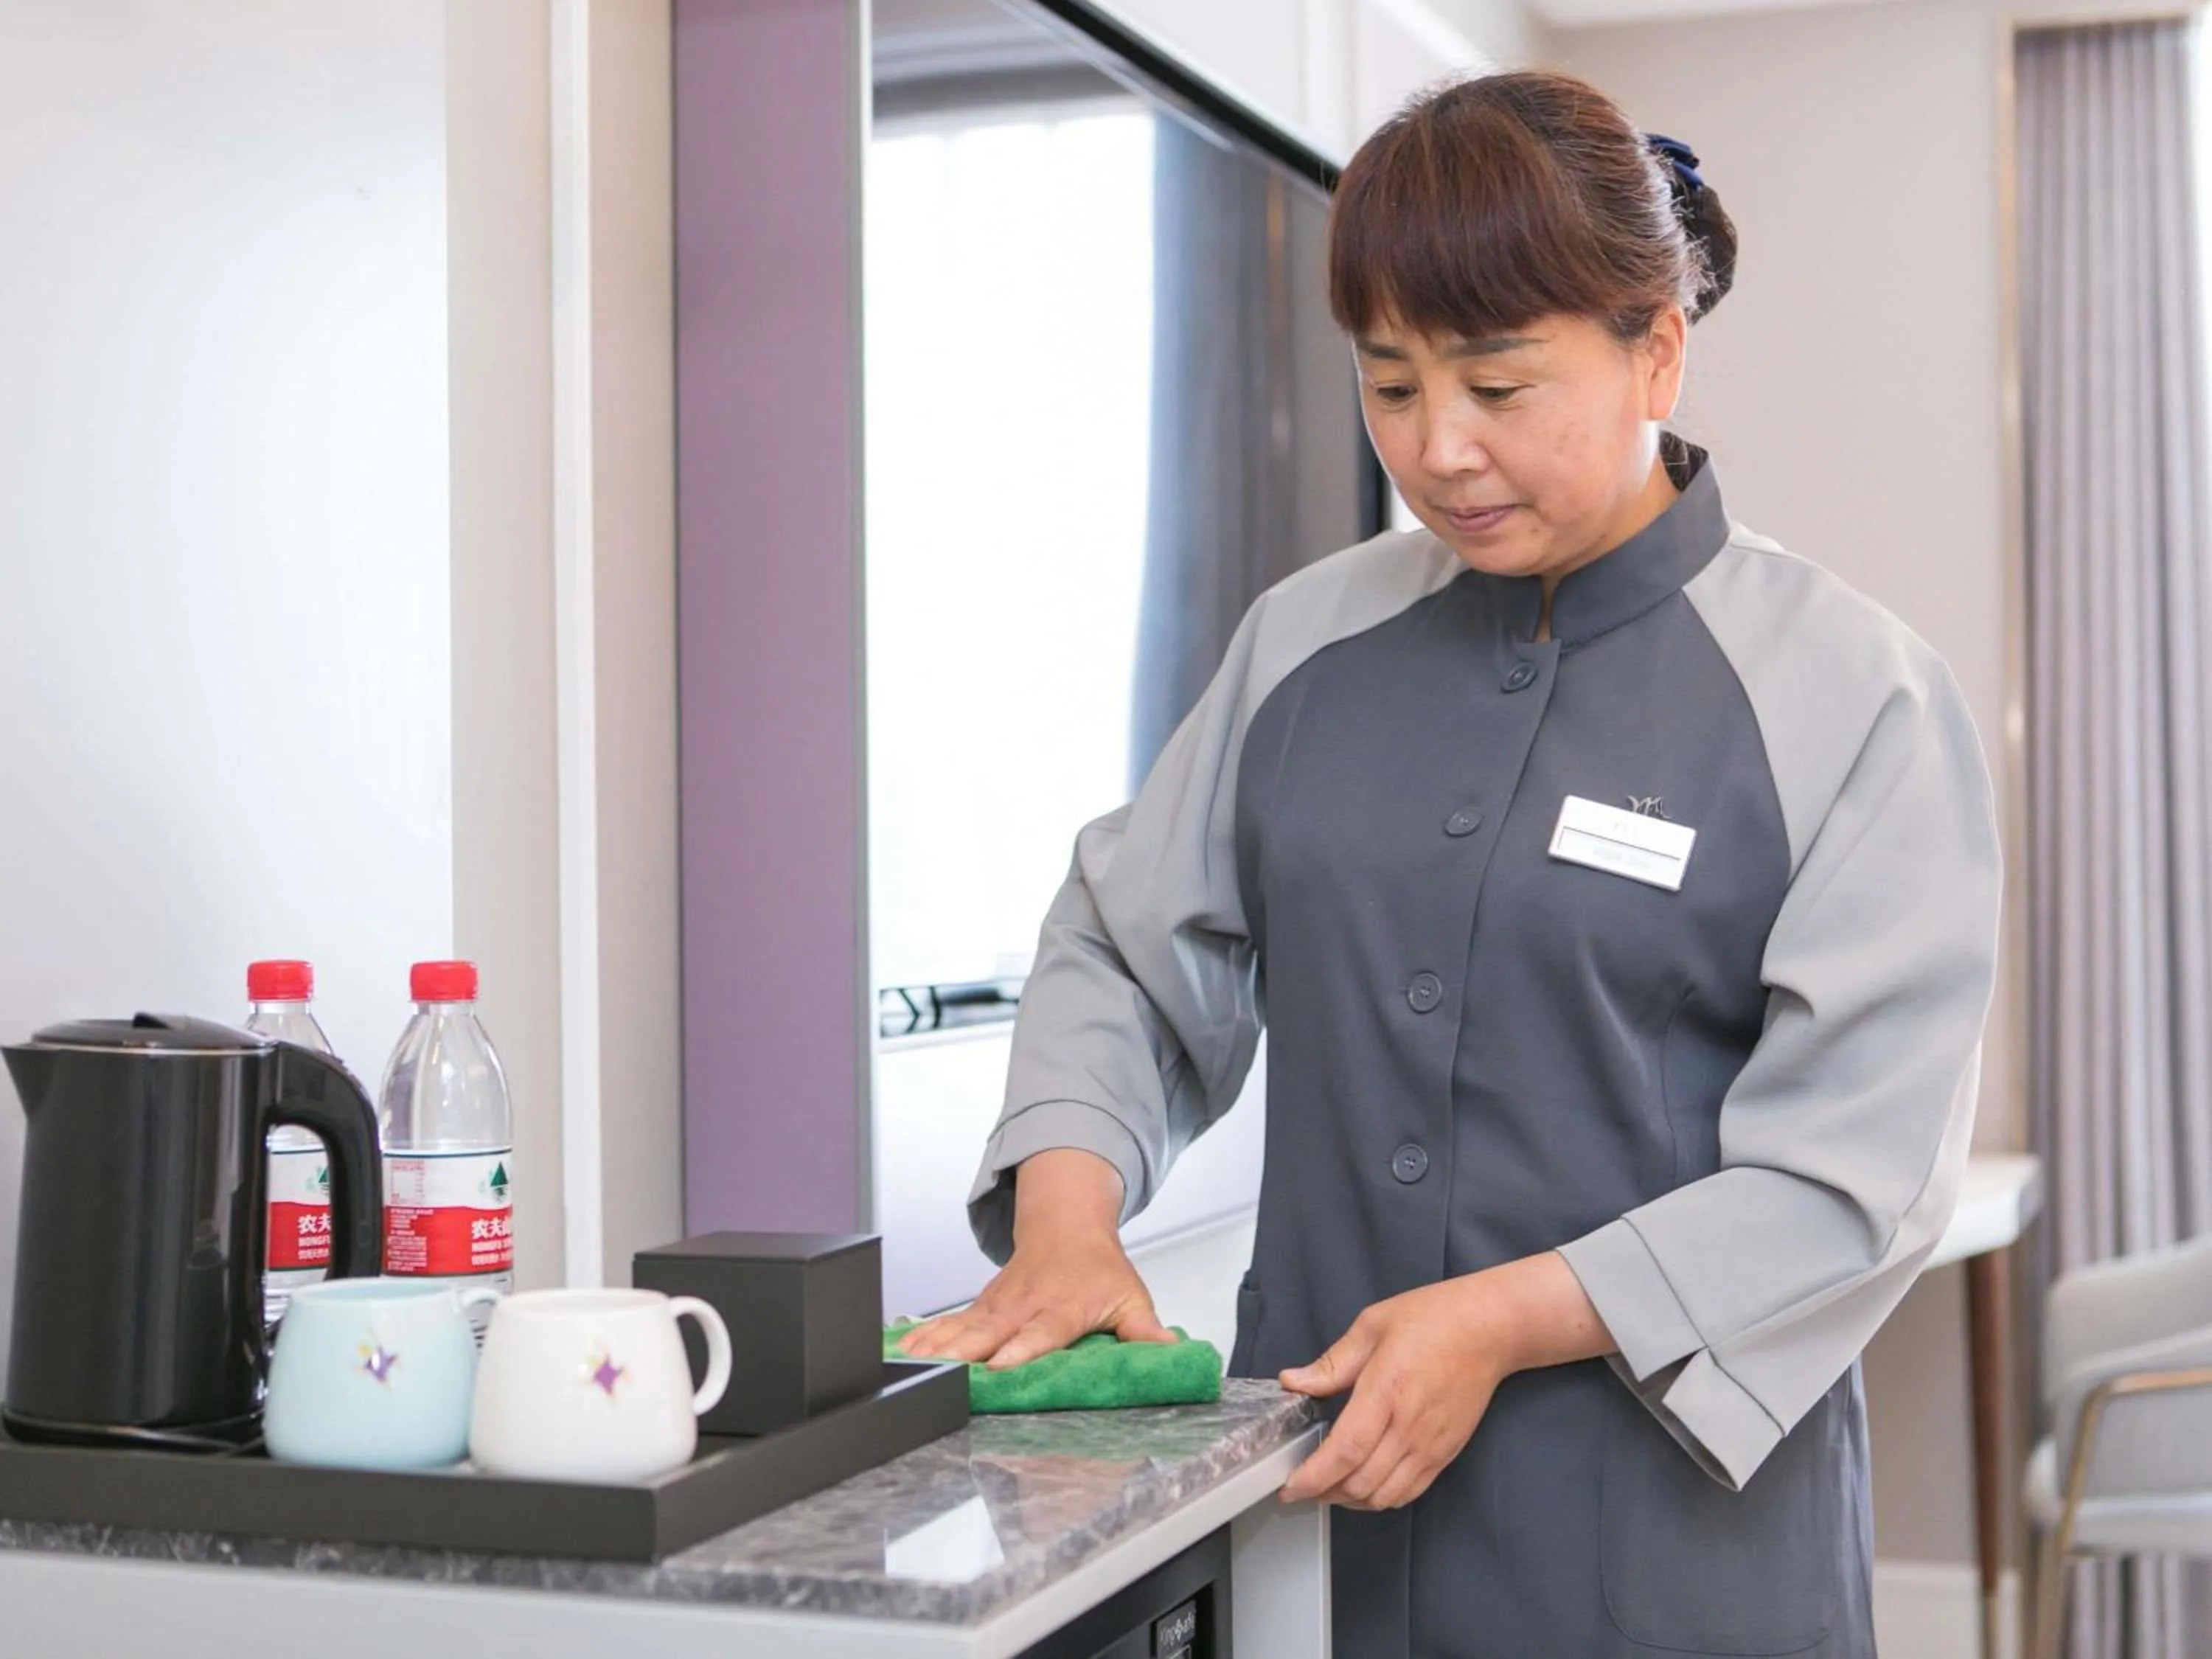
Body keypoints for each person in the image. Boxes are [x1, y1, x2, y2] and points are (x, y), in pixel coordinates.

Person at [903, 68, 2001, 1658]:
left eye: (1498, 384)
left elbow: (1851, 1181)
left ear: (1657, 350)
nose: (1442, 450)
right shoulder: (1308, 642)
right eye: (1392, 384)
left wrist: (1499, 1318)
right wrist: (1071, 1222)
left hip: (1677, 1550)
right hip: (1319, 1516)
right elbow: (1132, 955)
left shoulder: (1855, 697)